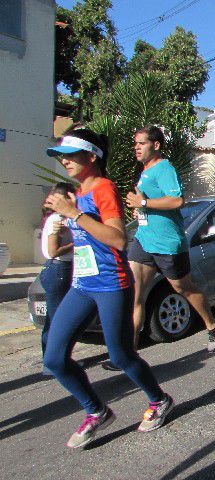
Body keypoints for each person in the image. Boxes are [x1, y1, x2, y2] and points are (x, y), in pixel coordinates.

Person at [43, 128, 173, 449]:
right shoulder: (77, 194)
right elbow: (84, 240)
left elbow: (117, 239)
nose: (64, 161)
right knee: (54, 358)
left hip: (111, 284)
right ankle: (96, 411)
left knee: (121, 355)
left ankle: (159, 400)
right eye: (61, 155)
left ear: (91, 156)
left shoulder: (104, 189)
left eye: (71, 154)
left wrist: (74, 214)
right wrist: (63, 220)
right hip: (82, 284)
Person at [103, 126, 215, 371]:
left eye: (141, 143)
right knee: (135, 296)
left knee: (183, 288)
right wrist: (137, 206)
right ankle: (128, 354)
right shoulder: (145, 171)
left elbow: (177, 200)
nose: (136, 147)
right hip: (144, 240)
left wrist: (143, 202)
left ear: (156, 145)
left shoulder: (165, 168)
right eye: (135, 143)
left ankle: (213, 324)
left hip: (168, 243)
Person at [39, 182, 76, 374]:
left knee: (56, 318)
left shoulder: (57, 217)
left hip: (59, 270)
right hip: (59, 269)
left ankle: (57, 360)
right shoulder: (58, 219)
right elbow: (53, 251)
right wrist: (75, 244)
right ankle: (51, 363)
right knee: (56, 319)